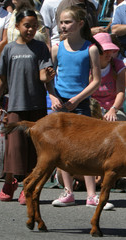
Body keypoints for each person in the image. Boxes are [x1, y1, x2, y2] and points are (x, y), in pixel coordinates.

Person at [50, 7, 113, 210]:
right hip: (60, 103)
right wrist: (52, 96)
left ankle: (92, 195)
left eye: (68, 22)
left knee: (86, 149)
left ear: (80, 24)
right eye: (61, 22)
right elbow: (48, 78)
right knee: (61, 148)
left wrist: (77, 99)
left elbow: (96, 81)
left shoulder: (90, 49)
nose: (63, 26)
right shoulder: (56, 47)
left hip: (80, 103)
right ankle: (68, 192)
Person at [0, 9, 57, 203]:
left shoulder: (41, 48)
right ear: (17, 26)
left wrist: (49, 81)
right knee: (15, 148)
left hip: (37, 106)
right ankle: (10, 181)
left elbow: (43, 76)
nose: (30, 29)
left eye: (34, 26)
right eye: (27, 25)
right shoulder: (9, 49)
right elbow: (2, 79)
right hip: (15, 106)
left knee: (33, 149)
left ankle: (27, 186)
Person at [92, 32, 126, 122]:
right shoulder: (87, 66)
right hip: (93, 109)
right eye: (104, 51)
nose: (108, 54)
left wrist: (113, 110)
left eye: (110, 50)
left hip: (114, 108)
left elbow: (121, 92)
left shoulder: (118, 65)